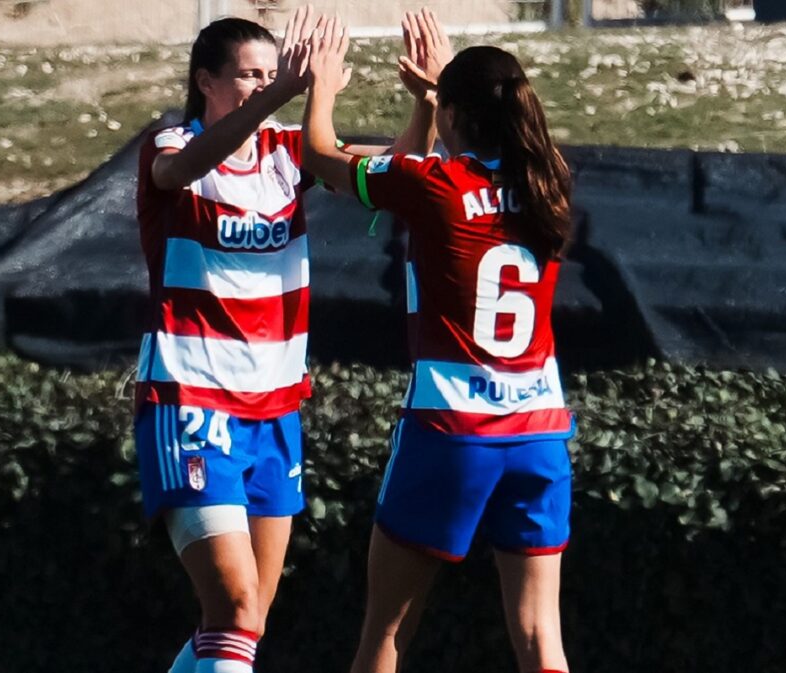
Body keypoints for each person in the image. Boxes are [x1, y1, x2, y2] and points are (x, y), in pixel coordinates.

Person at [133, 7, 446, 673]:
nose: (262, 86)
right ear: (205, 81)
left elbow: (389, 177)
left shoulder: (285, 154)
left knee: (243, 623)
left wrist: (427, 103)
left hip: (274, 411)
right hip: (190, 402)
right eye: (247, 75)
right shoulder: (170, 146)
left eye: (269, 75)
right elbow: (180, 168)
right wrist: (290, 92)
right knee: (237, 606)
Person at [302, 19, 575, 673]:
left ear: (456, 113)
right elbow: (455, 156)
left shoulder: (433, 186)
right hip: (539, 432)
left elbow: (319, 154)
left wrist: (320, 85)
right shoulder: (549, 184)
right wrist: (436, 97)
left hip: (452, 429)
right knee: (541, 639)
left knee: (388, 631)